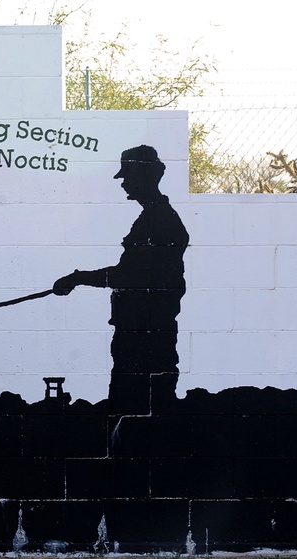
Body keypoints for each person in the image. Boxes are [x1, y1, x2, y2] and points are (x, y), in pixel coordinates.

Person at [53, 145, 189, 415]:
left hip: (144, 332)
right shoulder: (154, 218)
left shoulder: (158, 221)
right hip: (139, 329)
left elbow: (129, 275)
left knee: (136, 407)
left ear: (144, 176)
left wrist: (78, 278)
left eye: (128, 176)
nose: (124, 183)